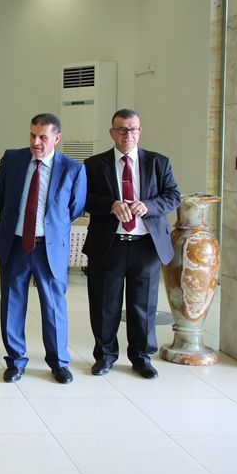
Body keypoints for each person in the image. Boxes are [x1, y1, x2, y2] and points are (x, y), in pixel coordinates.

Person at [83, 109, 180, 379]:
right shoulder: (94, 164)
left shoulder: (158, 163)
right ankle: (105, 356)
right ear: (112, 132)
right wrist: (110, 205)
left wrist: (148, 206)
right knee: (105, 305)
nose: (128, 134)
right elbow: (83, 199)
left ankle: (141, 357)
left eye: (133, 129)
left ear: (140, 131)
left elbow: (173, 196)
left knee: (143, 306)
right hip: (108, 244)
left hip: (145, 245)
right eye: (122, 129)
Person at [0, 112, 86, 384]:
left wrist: (50, 227)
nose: (36, 142)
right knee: (12, 303)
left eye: (43, 137)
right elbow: (1, 198)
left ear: (56, 138)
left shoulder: (72, 169)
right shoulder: (12, 159)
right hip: (16, 244)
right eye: (32, 135)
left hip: (49, 248)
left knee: (54, 306)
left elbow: (74, 208)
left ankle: (58, 362)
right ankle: (15, 361)